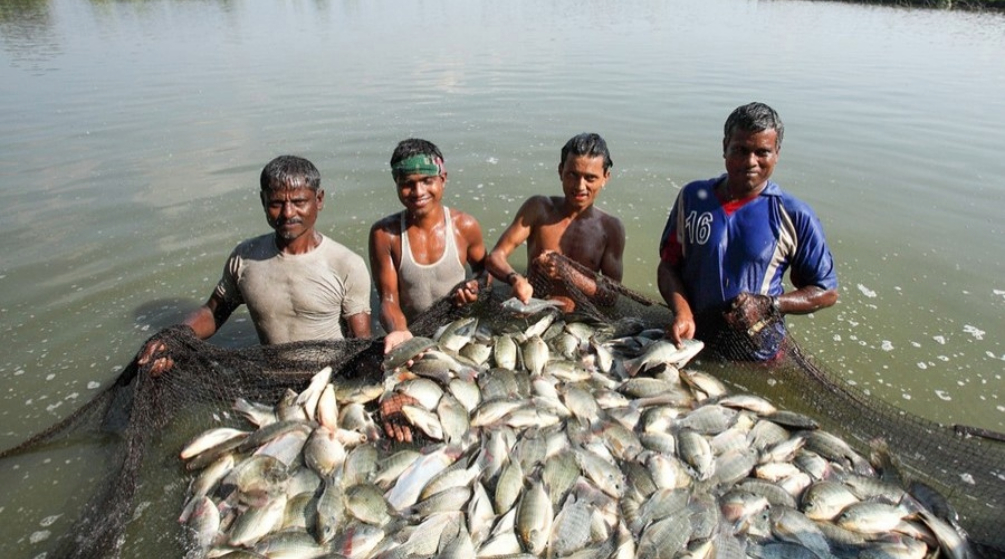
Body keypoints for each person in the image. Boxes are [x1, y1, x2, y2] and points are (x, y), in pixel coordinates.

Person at [139, 155, 372, 375]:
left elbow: (360, 342)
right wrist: (176, 337)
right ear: (263, 201)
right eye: (276, 203)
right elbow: (212, 313)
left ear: (318, 200)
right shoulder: (245, 258)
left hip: (329, 377)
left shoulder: (346, 264)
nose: (288, 212)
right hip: (270, 377)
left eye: (299, 202)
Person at [657, 102, 838, 361]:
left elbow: (826, 291)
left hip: (757, 352)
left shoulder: (795, 215)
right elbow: (668, 267)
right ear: (724, 147)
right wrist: (682, 312)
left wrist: (771, 305)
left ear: (777, 153)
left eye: (762, 152)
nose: (750, 162)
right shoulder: (693, 198)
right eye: (740, 150)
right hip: (689, 339)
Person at [368, 138, 487, 354]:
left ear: (443, 179)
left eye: (427, 180)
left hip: (458, 331)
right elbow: (388, 298)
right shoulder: (385, 234)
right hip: (412, 332)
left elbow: (484, 271)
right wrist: (400, 332)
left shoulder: (465, 226)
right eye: (407, 184)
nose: (418, 191)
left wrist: (475, 287)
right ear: (396, 183)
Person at [486, 132, 626, 312]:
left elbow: (611, 297)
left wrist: (568, 273)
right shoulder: (538, 209)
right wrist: (515, 279)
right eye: (572, 175)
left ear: (606, 177)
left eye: (590, 178)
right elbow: (495, 257)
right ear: (560, 171)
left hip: (577, 321)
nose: (580, 186)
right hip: (532, 312)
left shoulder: (611, 228)